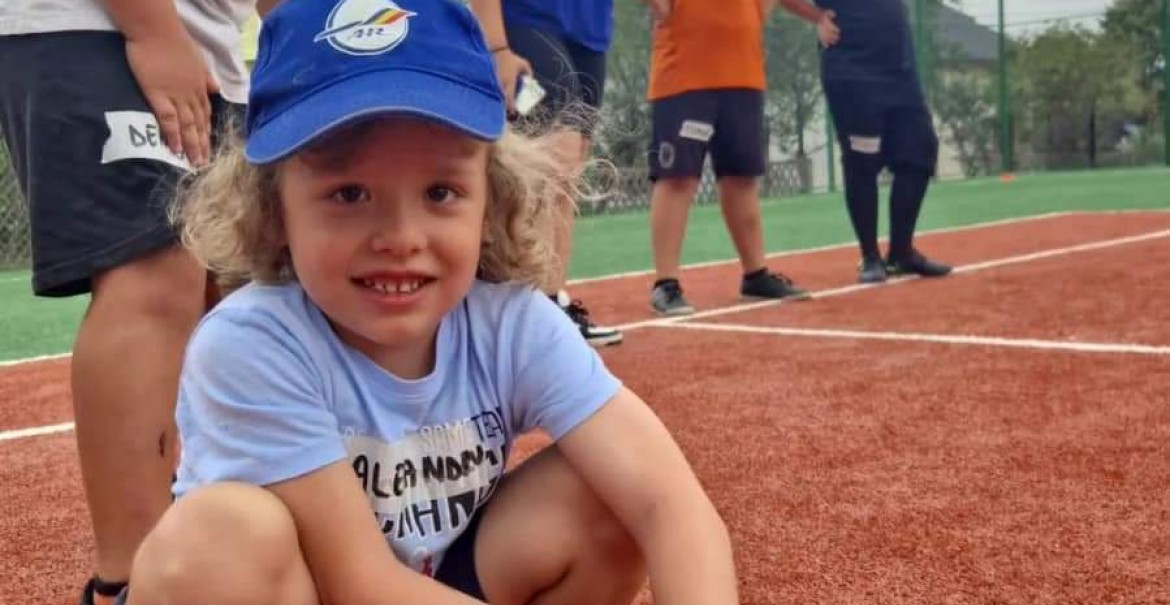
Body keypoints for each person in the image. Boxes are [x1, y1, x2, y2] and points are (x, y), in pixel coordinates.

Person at [120, 2, 739, 605]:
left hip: (429, 581)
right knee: (215, 541)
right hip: (322, 587)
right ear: (274, 209)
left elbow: (674, 508)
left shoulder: (514, 323)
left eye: (440, 191)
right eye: (349, 193)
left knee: (608, 495)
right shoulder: (250, 344)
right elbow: (359, 584)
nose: (401, 238)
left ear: (490, 201)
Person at [0, 0, 272, 603]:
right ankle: (128, 584)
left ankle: (230, 548)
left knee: (236, 290)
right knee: (157, 271)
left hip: (213, 49)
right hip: (102, 24)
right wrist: (151, 31)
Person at [641, 0, 810, 317]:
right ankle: (666, 283)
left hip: (744, 72)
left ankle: (755, 274)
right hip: (684, 73)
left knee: (741, 176)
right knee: (677, 177)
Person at [468, 0, 622, 347]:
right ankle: (525, 312)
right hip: (527, 18)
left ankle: (552, 306)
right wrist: (496, 46)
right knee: (549, 161)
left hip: (590, 31)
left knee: (569, 171)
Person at [779, 0, 952, 283]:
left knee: (920, 151)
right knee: (862, 159)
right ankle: (870, 256)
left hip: (899, 68)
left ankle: (901, 252)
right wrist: (817, 17)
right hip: (852, 69)